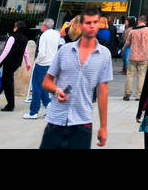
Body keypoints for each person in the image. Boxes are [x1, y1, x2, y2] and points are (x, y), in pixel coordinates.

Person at [40, 8, 112, 149]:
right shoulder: (65, 50)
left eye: (95, 22)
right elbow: (46, 82)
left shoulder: (104, 54)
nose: (92, 26)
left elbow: (103, 90)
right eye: (88, 22)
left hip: (82, 123)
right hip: (56, 121)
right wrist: (57, 90)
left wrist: (103, 127)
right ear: (80, 26)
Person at [0, 20, 33, 111]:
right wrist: (28, 63)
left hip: (8, 63)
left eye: (15, 26)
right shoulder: (25, 38)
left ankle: (10, 105)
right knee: (5, 82)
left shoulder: (12, 37)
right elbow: (25, 52)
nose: (14, 28)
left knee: (8, 84)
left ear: (17, 28)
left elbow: (6, 51)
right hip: (16, 63)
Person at [25, 19, 61, 118]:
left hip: (42, 63)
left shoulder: (44, 35)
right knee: (45, 86)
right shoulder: (56, 34)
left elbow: (42, 53)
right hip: (51, 64)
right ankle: (48, 106)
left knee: (36, 87)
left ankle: (33, 112)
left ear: (44, 26)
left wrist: (36, 61)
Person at [123, 15, 148, 102]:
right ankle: (139, 95)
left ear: (138, 21)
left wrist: (123, 49)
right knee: (141, 75)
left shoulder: (133, 31)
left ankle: (127, 94)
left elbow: (127, 43)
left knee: (130, 75)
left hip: (133, 56)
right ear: (145, 22)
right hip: (143, 57)